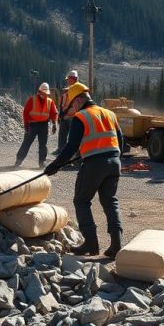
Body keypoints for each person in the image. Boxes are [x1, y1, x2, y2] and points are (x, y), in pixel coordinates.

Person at [44, 89, 125, 257]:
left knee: (81, 201)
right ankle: (116, 245)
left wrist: (55, 165)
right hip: (114, 162)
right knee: (110, 202)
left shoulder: (81, 117)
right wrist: (114, 156)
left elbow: (70, 147)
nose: (73, 108)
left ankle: (91, 244)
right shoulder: (109, 113)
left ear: (79, 100)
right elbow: (120, 139)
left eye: (73, 104)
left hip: (95, 164)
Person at [13, 83, 58, 168]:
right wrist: (26, 124)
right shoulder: (32, 100)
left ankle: (42, 162)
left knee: (43, 145)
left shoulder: (50, 101)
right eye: (44, 93)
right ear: (39, 92)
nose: (45, 95)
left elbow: (53, 113)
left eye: (46, 93)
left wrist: (54, 124)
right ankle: (18, 161)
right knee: (26, 143)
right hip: (32, 125)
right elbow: (25, 113)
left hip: (44, 125)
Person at [51, 71, 80, 155]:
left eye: (69, 79)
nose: (67, 81)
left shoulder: (78, 90)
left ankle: (74, 153)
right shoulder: (66, 90)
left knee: (73, 136)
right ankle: (61, 149)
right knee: (62, 134)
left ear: (74, 79)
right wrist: (60, 114)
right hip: (64, 115)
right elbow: (62, 103)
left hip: (73, 116)